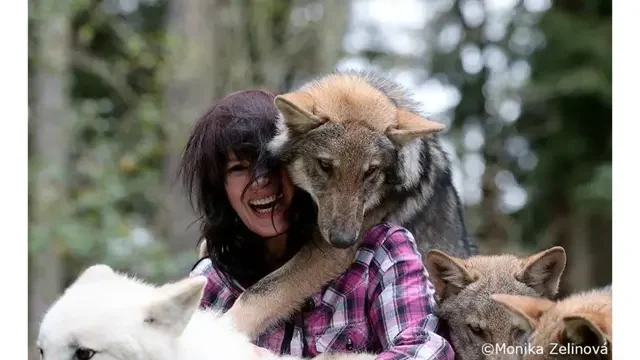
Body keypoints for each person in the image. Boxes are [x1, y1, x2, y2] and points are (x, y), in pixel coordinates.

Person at [179, 89, 455, 360]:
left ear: (287, 164)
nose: (260, 181)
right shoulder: (212, 280)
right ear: (220, 189)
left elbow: (425, 351)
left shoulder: (382, 252)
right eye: (238, 168)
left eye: (270, 165)